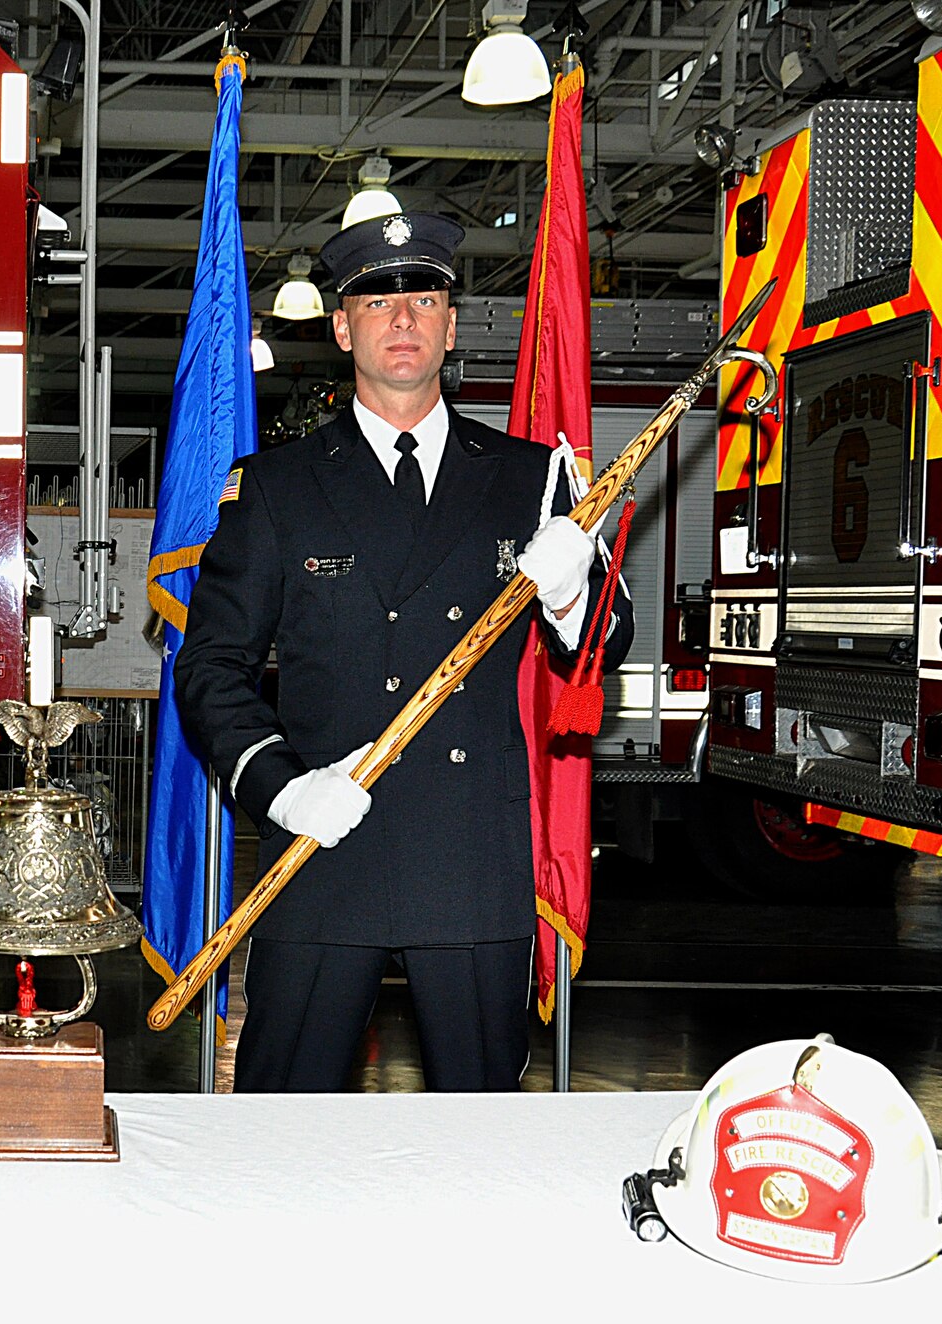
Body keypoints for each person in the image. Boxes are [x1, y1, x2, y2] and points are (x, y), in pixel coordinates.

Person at [174, 213, 632, 1093]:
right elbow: (210, 667)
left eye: (425, 298)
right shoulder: (277, 486)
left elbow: (608, 645)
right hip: (321, 844)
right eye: (378, 302)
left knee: (480, 1137)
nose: (403, 319)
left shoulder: (530, 477)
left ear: (451, 327)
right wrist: (282, 785)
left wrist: (574, 593)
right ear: (342, 327)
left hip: (468, 859)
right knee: (282, 1127)